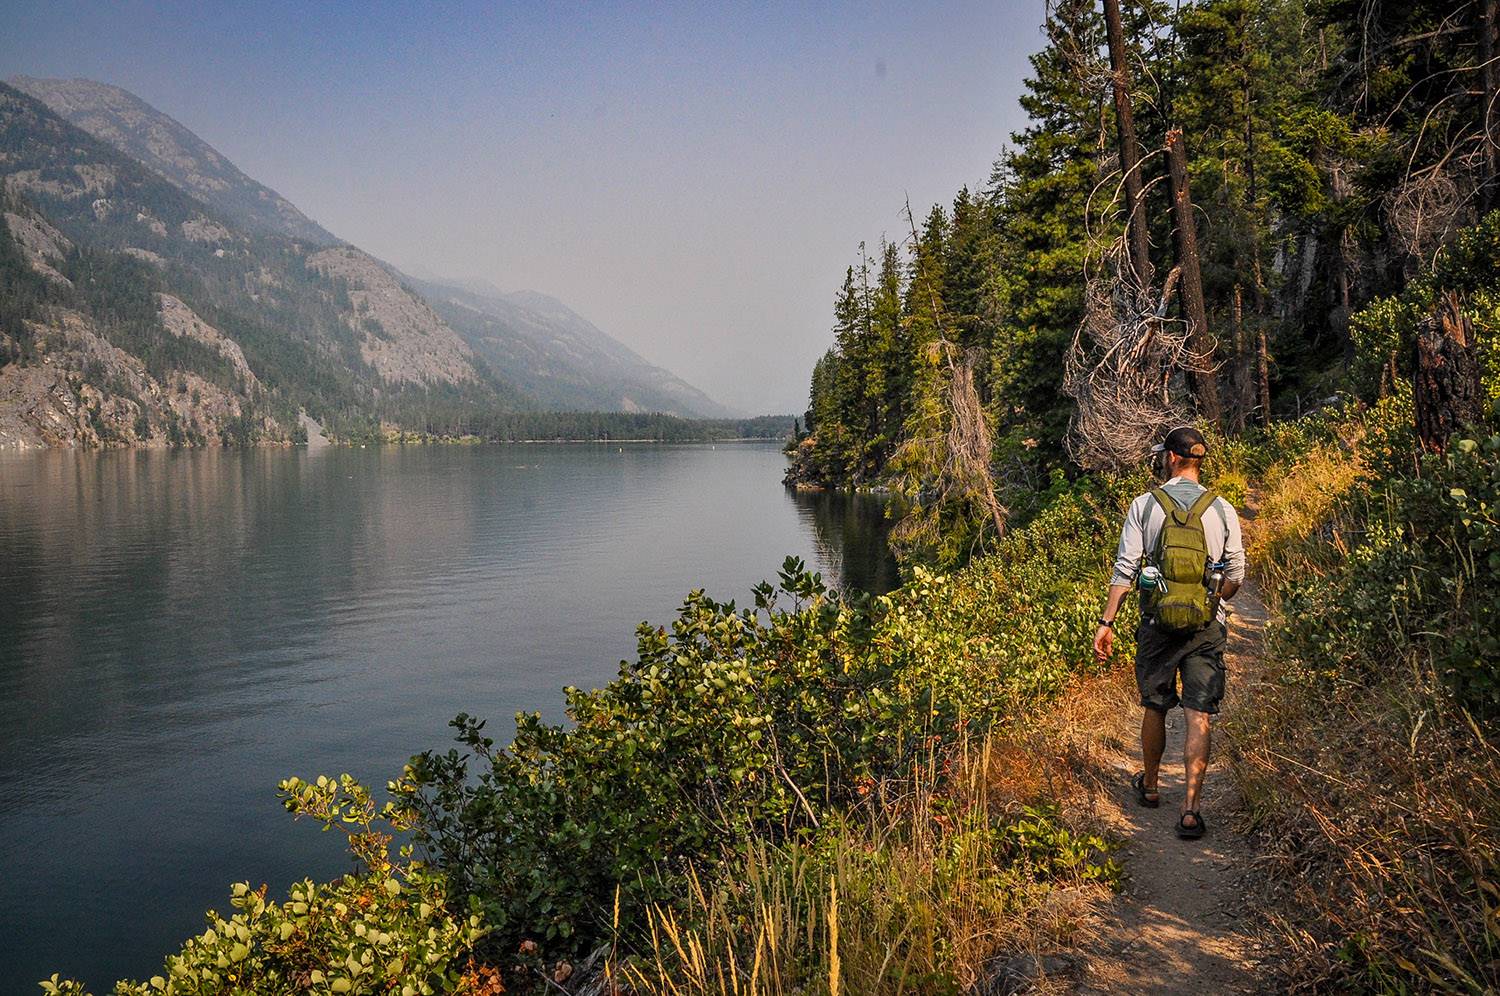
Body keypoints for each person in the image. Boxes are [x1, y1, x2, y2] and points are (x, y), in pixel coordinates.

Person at [1092, 425, 1246, 839]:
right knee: (1198, 713)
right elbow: (1236, 575)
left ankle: (1153, 786)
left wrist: (1106, 623)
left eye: (1164, 455)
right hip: (1206, 626)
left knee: (1155, 705)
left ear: (1173, 459)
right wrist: (1214, 602)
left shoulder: (1145, 505)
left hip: (1157, 624)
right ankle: (1192, 808)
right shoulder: (1223, 508)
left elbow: (1124, 570)